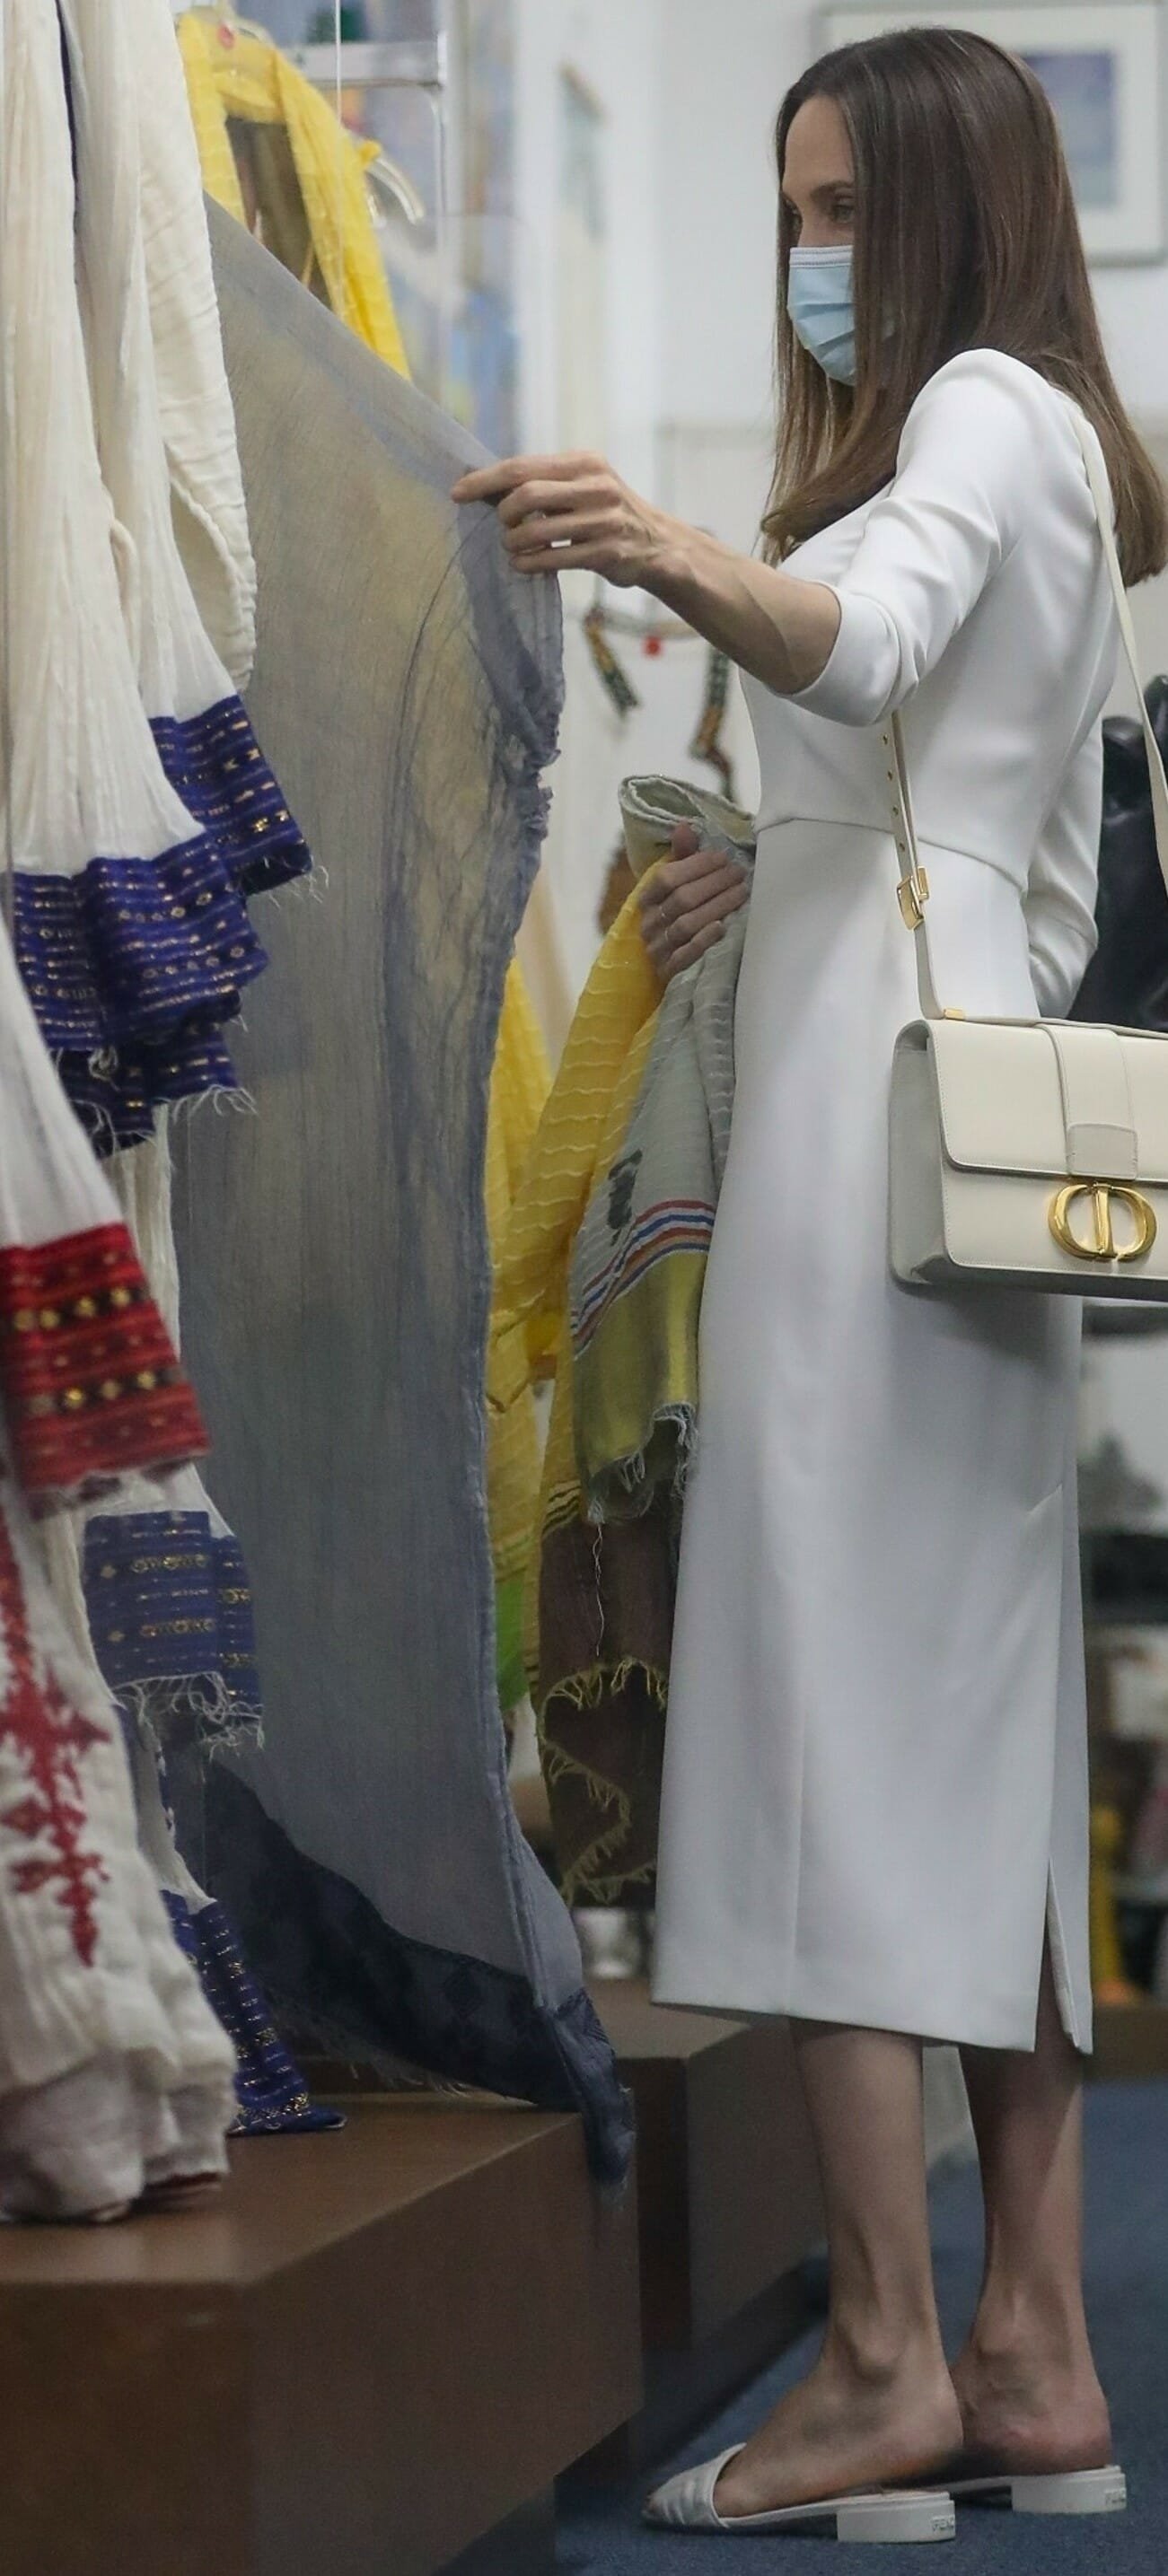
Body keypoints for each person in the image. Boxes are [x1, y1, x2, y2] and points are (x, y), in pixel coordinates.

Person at [454, 26, 1164, 2540]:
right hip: (948, 1115)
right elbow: (948, 794)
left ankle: (881, 2360)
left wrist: (650, 544)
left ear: (955, 208)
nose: (811, 256)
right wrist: (777, 873)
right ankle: (1033, 2351)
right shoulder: (1046, 432)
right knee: (965, 1729)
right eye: (793, 210)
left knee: (824, 1705)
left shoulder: (975, 410)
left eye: (845, 207)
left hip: (871, 1140)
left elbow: (860, 645)